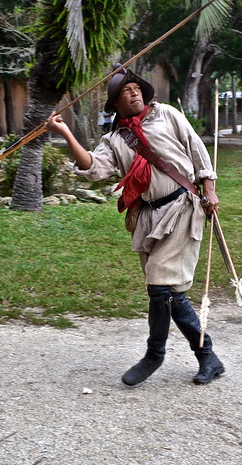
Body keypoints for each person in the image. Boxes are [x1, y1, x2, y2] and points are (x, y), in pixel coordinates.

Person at [46, 65, 225, 386]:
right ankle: (207, 356)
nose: (135, 92)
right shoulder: (115, 139)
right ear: (115, 102)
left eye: (136, 88)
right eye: (126, 91)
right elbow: (93, 168)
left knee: (160, 287)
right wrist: (66, 134)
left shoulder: (166, 114)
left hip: (183, 208)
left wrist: (209, 190)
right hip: (149, 217)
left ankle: (154, 355)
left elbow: (197, 149)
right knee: (168, 294)